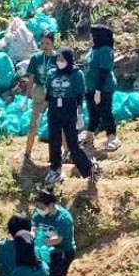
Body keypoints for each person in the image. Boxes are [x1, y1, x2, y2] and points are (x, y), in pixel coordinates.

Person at [44, 47, 95, 185]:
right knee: (54, 141)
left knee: (72, 144)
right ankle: (55, 169)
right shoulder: (51, 73)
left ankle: (89, 168)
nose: (60, 62)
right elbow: (48, 94)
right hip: (54, 110)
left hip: (69, 109)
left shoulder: (76, 74)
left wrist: (79, 114)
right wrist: (42, 112)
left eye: (62, 60)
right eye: (58, 59)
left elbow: (79, 95)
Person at [32, 189, 76, 276]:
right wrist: (32, 236)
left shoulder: (64, 218)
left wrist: (42, 241)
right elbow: (33, 227)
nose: (39, 210)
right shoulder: (39, 213)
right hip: (44, 252)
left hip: (61, 253)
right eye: (37, 207)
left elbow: (58, 239)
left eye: (41, 207)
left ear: (51, 205)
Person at [82, 24, 120, 152]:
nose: (92, 37)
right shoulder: (94, 49)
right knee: (93, 112)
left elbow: (104, 71)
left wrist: (98, 90)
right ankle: (89, 137)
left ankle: (112, 137)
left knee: (105, 112)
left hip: (103, 88)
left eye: (94, 35)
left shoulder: (105, 50)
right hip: (90, 87)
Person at [24, 31, 56, 162]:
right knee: (34, 123)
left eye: (48, 43)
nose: (45, 46)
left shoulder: (58, 57)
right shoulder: (36, 58)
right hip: (39, 91)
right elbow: (31, 77)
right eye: (42, 43)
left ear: (53, 43)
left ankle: (60, 153)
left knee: (56, 123)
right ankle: (27, 152)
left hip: (54, 92)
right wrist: (27, 95)